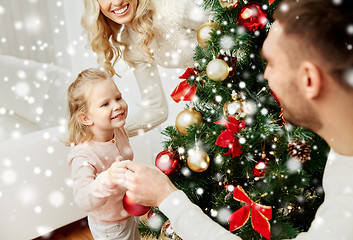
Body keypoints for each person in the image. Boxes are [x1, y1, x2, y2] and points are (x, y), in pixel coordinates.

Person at [118, 0, 353, 239]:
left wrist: (167, 198)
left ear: (309, 79)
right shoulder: (342, 152)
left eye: (271, 63)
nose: (265, 74)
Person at [81, 0, 209, 137]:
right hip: (219, 91)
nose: (117, 2)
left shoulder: (172, 8)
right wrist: (106, 132)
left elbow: (228, 20)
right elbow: (156, 109)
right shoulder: (130, 43)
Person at [65, 68, 140, 240]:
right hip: (110, 227)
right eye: (105, 104)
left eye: (118, 98)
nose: (117, 106)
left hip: (129, 213)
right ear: (86, 118)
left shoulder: (118, 130)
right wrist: (108, 179)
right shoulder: (83, 156)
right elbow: (83, 198)